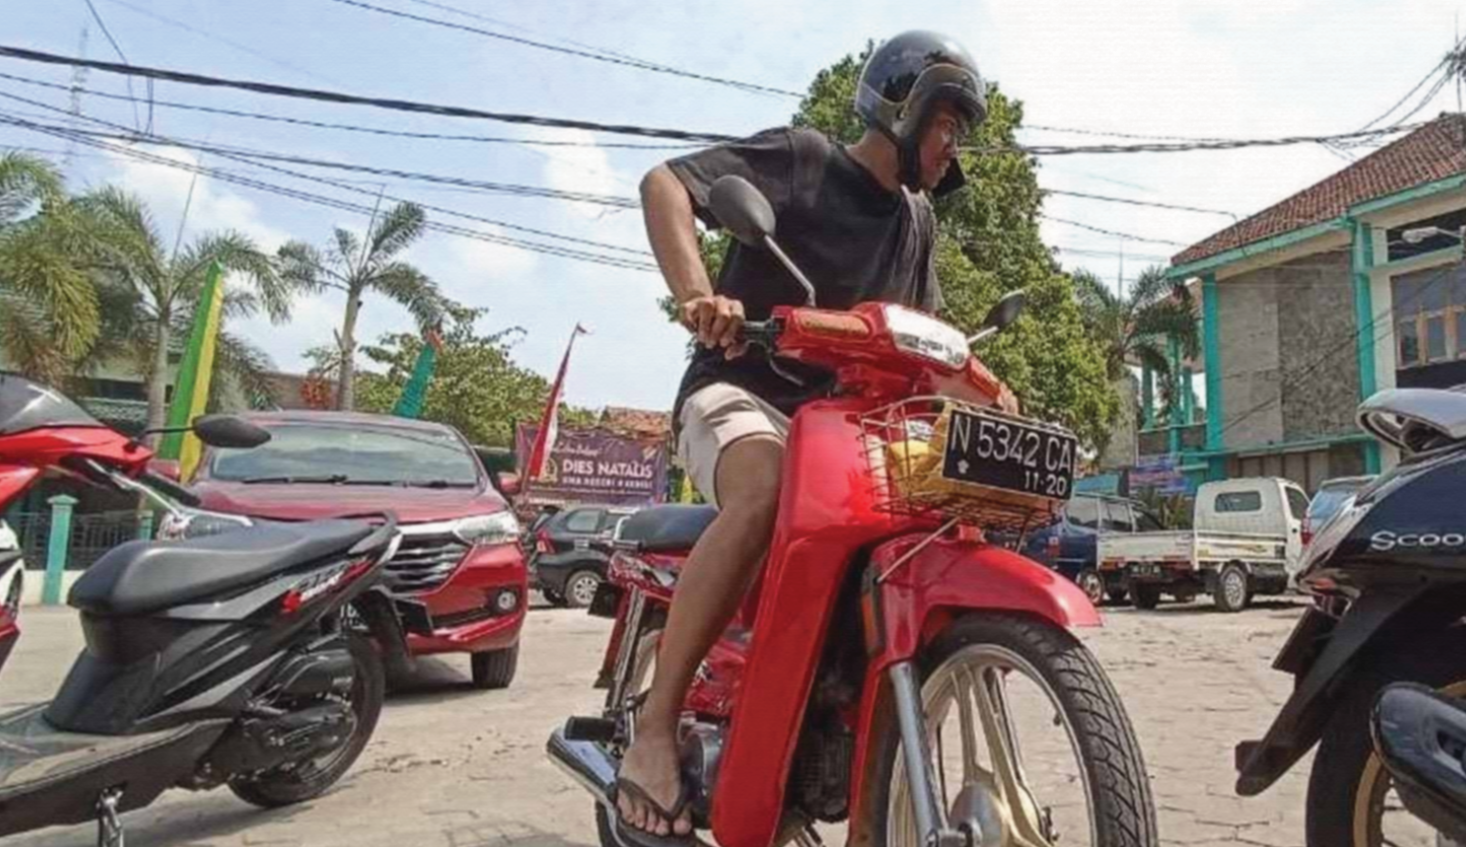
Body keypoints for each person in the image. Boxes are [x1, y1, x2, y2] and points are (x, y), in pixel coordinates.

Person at [615, 30, 988, 846]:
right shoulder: (806, 160)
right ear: (902, 106)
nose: (951, 143)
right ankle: (654, 730)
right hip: (743, 395)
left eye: (959, 128)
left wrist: (983, 387)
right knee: (768, 487)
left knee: (917, 546)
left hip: (850, 433)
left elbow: (922, 336)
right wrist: (698, 295)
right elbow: (665, 185)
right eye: (944, 122)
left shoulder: (917, 222)